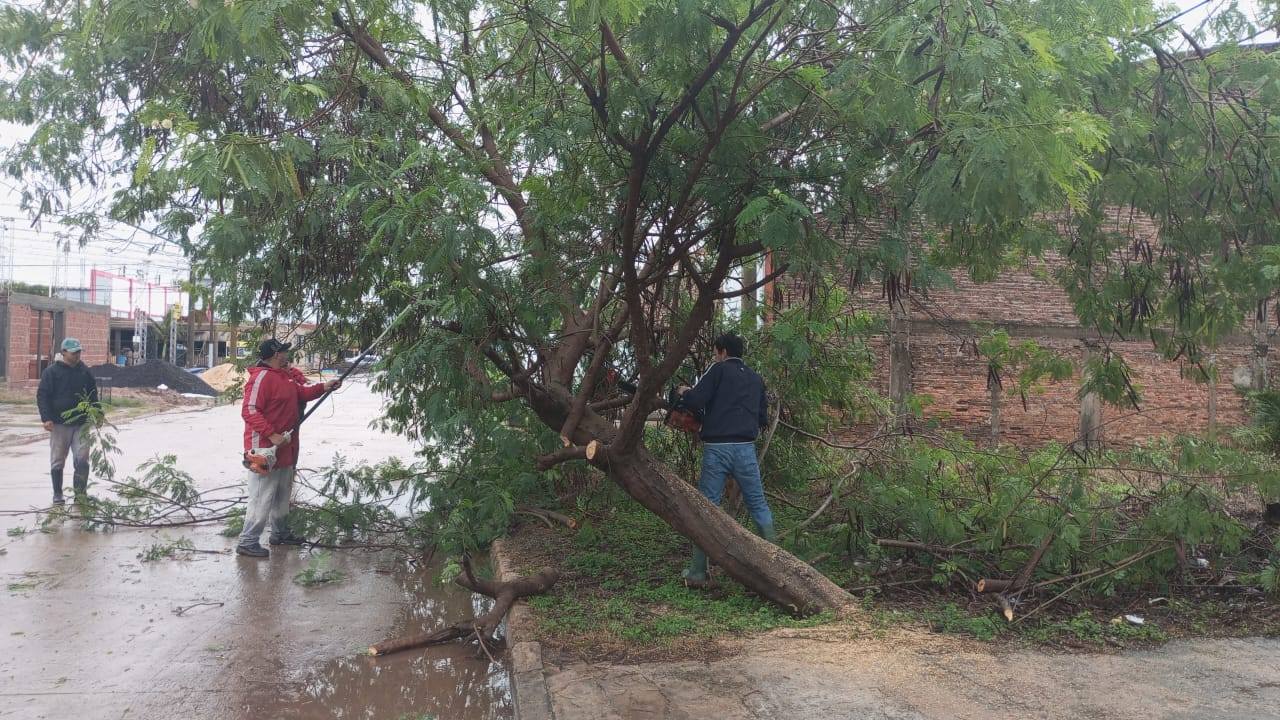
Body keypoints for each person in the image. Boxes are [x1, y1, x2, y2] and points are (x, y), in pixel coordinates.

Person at [676, 332, 773, 583]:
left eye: (715, 351)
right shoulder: (755, 379)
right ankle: (776, 569)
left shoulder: (717, 371)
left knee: (706, 507)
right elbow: (763, 417)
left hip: (717, 448)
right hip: (745, 449)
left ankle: (698, 571)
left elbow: (696, 401)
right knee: (758, 505)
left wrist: (685, 392)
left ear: (722, 351)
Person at [236, 339, 340, 558]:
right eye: (284, 352)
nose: (287, 355)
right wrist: (272, 435)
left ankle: (280, 533)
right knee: (261, 496)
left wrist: (324, 387)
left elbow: (301, 394)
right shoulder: (260, 378)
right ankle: (247, 541)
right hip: (264, 449)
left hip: (286, 446)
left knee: (282, 494)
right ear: (275, 355)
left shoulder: (285, 375)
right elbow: (250, 411)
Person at [36, 337, 100, 505]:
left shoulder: (84, 371)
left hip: (82, 423)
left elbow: (93, 394)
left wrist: (98, 413)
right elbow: (43, 396)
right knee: (58, 459)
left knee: (82, 458)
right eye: (74, 352)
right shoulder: (51, 372)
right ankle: (58, 494)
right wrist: (46, 418)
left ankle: (80, 495)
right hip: (59, 424)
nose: (77, 355)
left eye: (79, 352)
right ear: (64, 352)